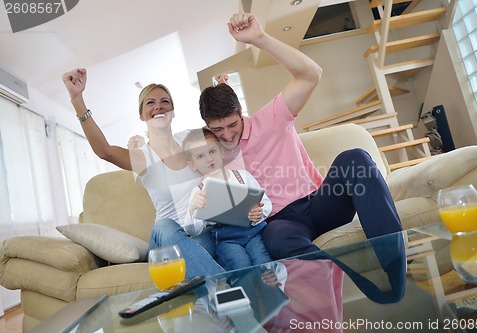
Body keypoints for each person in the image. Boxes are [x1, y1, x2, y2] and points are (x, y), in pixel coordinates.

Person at [199, 13, 403, 260]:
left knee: (355, 158)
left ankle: (394, 258)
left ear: (241, 113)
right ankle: (348, 283)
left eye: (232, 125)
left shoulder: (271, 118)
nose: (227, 135)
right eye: (218, 130)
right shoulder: (215, 153)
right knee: (276, 239)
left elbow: (311, 74)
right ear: (208, 126)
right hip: (280, 222)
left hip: (320, 204)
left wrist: (260, 38)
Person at [61, 69, 224, 278]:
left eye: (165, 101)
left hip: (196, 232)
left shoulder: (189, 141)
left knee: (206, 238)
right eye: (150, 102)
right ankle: (226, 285)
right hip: (163, 241)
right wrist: (77, 99)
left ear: (173, 111)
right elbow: (105, 151)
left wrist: (222, 88)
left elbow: (220, 129)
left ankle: (215, 294)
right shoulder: (142, 157)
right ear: (141, 115)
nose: (158, 106)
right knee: (165, 225)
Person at [180, 128, 272, 270]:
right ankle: (247, 290)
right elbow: (193, 231)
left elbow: (265, 202)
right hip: (227, 240)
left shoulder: (242, 176)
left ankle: (270, 290)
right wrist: (193, 209)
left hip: (254, 233)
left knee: (264, 262)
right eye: (200, 156)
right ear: (192, 165)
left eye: (212, 151)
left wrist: (260, 213)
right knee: (240, 265)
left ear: (221, 151)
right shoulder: (198, 191)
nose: (209, 158)